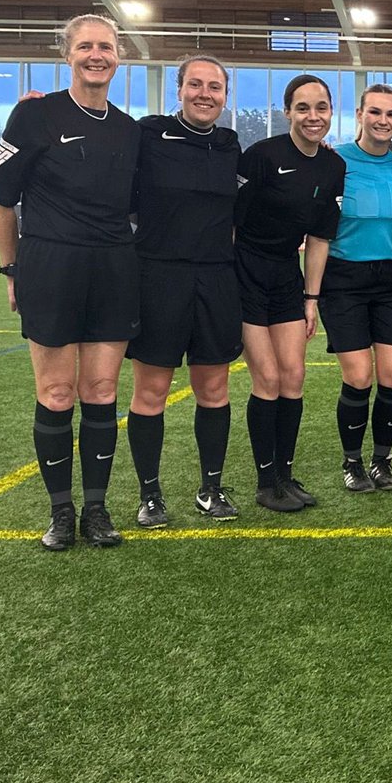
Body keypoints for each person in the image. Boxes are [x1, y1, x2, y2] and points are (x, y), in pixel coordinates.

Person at [0, 13, 141, 551]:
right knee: (56, 392)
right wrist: (12, 268)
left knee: (101, 390)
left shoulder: (130, 128)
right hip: (50, 266)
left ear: (119, 55)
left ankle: (97, 510)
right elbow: (2, 198)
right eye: (85, 46)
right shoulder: (32, 116)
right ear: (68, 55)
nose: (96, 55)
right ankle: (60, 512)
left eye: (105, 46)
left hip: (114, 269)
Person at [126, 54, 243, 527]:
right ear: (179, 89)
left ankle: (210, 489)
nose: (205, 94)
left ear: (224, 96)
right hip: (158, 275)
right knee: (151, 391)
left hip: (216, 277)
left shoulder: (231, 144)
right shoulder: (147, 134)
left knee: (213, 388)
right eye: (195, 84)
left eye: (214, 87)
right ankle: (150, 495)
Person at [234, 75, 345, 512]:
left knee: (294, 378)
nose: (312, 117)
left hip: (285, 276)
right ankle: (265, 483)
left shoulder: (333, 167)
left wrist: (311, 299)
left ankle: (284, 473)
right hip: (244, 271)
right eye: (303, 108)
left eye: (321, 107)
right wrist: (225, 282)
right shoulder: (261, 157)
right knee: (268, 378)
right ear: (288, 113)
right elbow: (230, 222)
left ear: (331, 112)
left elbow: (319, 238)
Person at [320, 84, 392, 493]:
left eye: (391, 115)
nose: (383, 121)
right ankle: (352, 462)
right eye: (375, 112)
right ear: (360, 114)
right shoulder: (334, 160)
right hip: (343, 280)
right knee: (359, 377)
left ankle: (381, 460)